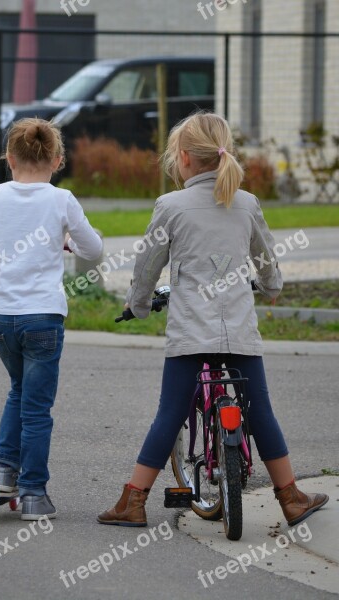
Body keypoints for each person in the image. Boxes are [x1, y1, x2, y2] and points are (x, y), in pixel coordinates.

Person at [97, 111, 328, 528]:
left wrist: (139, 304)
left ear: (183, 158)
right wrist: (271, 287)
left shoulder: (170, 206)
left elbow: (146, 266)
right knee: (261, 413)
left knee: (170, 414)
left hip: (190, 333)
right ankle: (291, 497)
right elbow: (266, 260)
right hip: (239, 332)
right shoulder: (246, 202)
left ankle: (133, 502)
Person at [0, 118, 102, 520]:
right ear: (57, 160)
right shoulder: (62, 200)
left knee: (18, 388)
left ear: (8, 159)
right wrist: (66, 240)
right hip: (42, 318)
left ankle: (5, 470)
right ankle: (34, 493)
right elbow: (94, 248)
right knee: (36, 407)